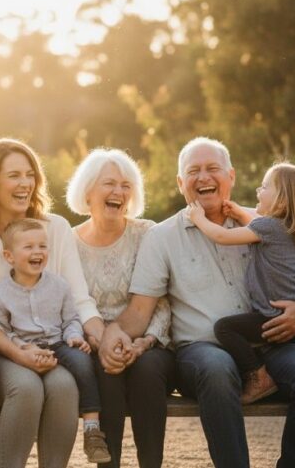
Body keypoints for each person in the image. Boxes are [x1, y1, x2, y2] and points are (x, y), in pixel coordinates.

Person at [99, 137, 295, 468]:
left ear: (232, 177)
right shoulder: (162, 237)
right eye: (193, 171)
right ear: (181, 183)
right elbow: (141, 310)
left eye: (213, 169)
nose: (204, 178)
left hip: (271, 343)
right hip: (201, 351)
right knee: (217, 367)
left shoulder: (261, 224)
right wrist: (112, 332)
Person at [0, 138, 105, 468]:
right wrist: (18, 352)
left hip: (53, 345)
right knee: (26, 387)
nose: (25, 184)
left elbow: (80, 299)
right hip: (1, 349)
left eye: (30, 174)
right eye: (13, 175)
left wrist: (100, 337)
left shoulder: (56, 228)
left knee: (65, 386)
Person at [65, 148, 174, 468]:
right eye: (109, 183)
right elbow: (71, 304)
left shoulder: (148, 234)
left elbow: (163, 302)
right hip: (95, 342)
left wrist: (144, 342)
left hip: (150, 341)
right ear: (88, 191)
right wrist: (101, 342)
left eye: (126, 185)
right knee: (105, 372)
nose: (118, 192)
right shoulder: (68, 243)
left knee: (148, 370)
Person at [188, 163, 295, 404]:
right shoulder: (287, 230)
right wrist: (240, 214)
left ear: (282, 202)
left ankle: (258, 376)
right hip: (290, 316)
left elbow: (223, 236)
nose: (257, 191)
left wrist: (198, 219)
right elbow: (254, 225)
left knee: (225, 328)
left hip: (271, 316)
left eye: (264, 187)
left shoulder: (269, 227)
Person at [0, 218, 112, 464]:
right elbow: (0, 329)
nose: (37, 252)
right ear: (9, 257)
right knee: (27, 387)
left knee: (83, 364)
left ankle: (92, 429)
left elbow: (71, 319)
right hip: (21, 351)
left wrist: (74, 336)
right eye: (29, 247)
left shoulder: (59, 286)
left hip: (58, 345)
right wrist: (23, 346)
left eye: (42, 246)